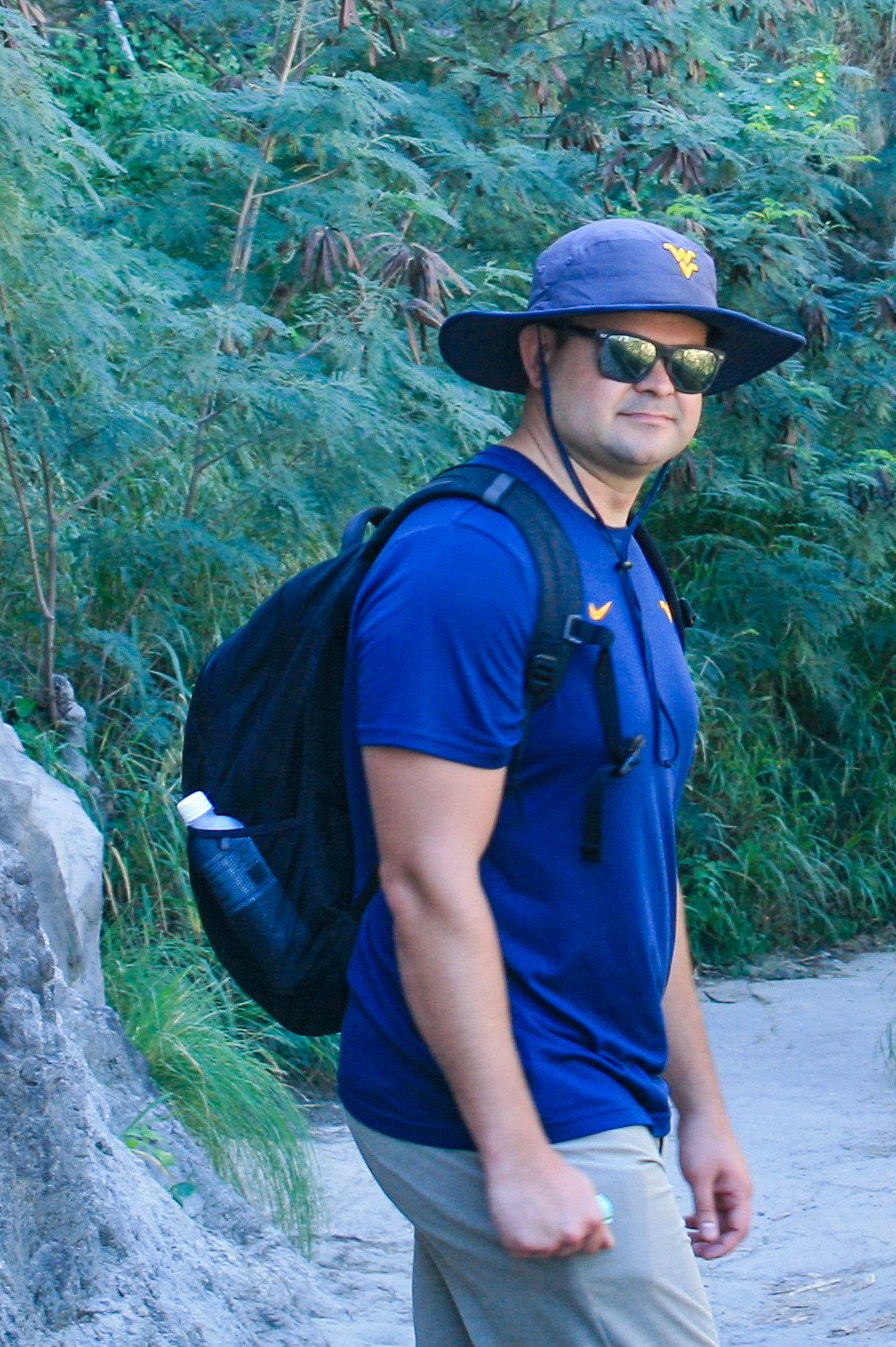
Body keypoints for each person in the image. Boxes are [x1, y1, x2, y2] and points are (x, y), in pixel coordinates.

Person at [341, 217, 806, 1347]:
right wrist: (513, 1149)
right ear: (537, 355)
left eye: (690, 363)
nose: (660, 382)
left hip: (594, 1090)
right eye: (622, 350)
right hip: (510, 1100)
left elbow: (642, 857)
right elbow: (423, 875)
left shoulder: (620, 554)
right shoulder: (469, 560)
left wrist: (697, 1108)